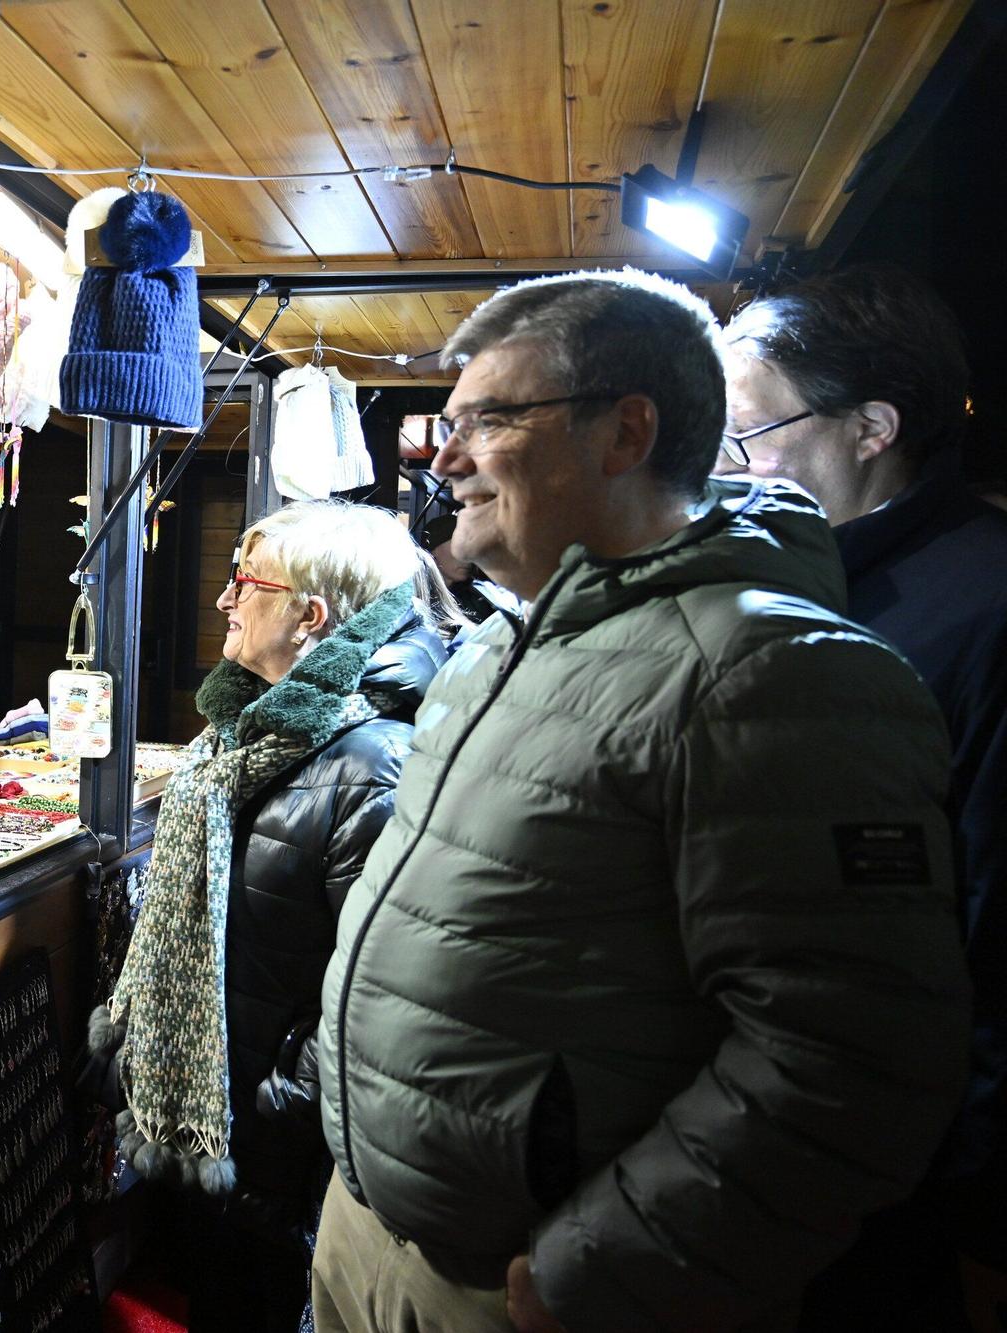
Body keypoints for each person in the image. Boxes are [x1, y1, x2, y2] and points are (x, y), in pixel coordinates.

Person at [310, 269, 971, 1333]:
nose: (442, 454)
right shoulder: (493, 651)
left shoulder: (767, 668)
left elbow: (852, 1054)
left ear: (624, 435)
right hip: (366, 1239)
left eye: (489, 418)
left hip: (526, 1292)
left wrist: (599, 1266)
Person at [724, 266, 1007, 1327]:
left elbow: (994, 926)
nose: (725, 461)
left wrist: (979, 1218)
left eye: (747, 430)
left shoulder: (976, 604)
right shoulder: (786, 578)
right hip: (775, 1141)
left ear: (870, 427)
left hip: (901, 1178)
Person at [85, 501, 446, 1331]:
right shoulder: (240, 740)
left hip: (285, 1158)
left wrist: (284, 1102)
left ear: (310, 616)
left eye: (245, 582)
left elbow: (379, 990)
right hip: (232, 1140)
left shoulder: (371, 765)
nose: (224, 600)